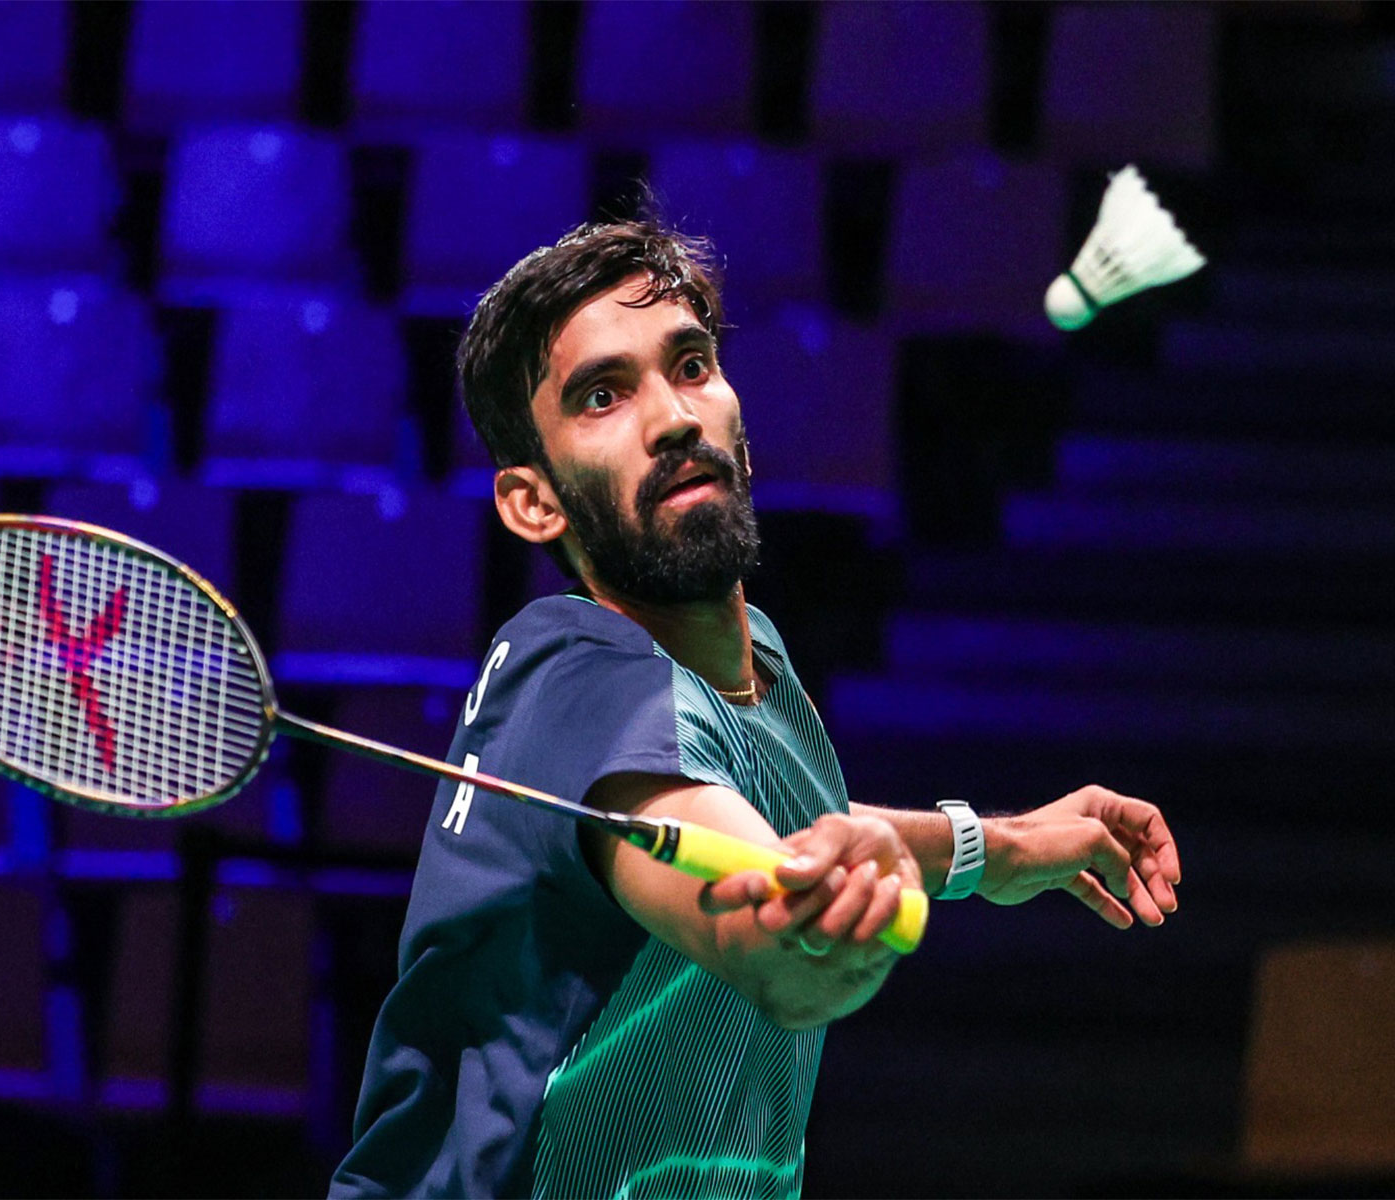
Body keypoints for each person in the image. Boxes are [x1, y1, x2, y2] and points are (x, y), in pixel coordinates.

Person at [328, 218, 1181, 1199]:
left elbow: (772, 834)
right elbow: (754, 918)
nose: (673, 417)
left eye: (689, 366)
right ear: (534, 503)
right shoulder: (582, 677)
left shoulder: (751, 657)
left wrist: (1005, 847)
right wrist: (831, 946)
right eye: (602, 396)